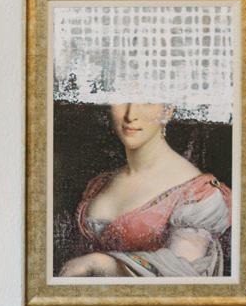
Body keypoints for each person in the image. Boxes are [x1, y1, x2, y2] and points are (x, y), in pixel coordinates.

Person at [59, 102, 231, 279]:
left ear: (168, 110)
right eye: (122, 99)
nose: (130, 115)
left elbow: (182, 275)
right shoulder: (100, 183)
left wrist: (98, 263)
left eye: (146, 102)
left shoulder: (197, 193)